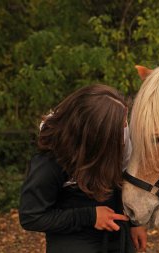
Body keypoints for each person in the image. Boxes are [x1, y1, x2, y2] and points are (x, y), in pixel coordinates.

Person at [19, 84, 147, 253]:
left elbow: (122, 179)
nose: (125, 130)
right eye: (121, 126)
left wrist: (134, 223)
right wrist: (90, 217)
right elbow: (31, 217)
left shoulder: (119, 131)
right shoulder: (50, 162)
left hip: (115, 230)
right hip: (73, 235)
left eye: (125, 122)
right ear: (94, 137)